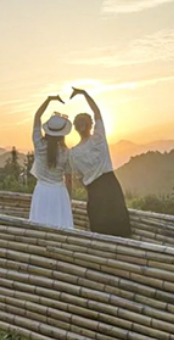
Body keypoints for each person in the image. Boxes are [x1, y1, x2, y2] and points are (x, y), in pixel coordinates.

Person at [69, 87, 132, 236]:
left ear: (76, 129)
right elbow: (97, 113)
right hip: (110, 186)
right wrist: (84, 93)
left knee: (99, 231)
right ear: (91, 125)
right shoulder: (99, 139)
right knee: (120, 228)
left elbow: (79, 178)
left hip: (93, 191)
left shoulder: (73, 153)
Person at [28, 95, 74, 229]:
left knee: (39, 224)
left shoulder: (39, 144)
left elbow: (37, 117)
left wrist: (48, 100)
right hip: (59, 193)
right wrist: (68, 200)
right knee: (60, 226)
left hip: (41, 190)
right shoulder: (66, 152)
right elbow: (69, 179)